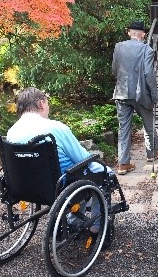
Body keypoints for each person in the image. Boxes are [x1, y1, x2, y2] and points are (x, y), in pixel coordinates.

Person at [7, 87, 108, 233]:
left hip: (23, 187)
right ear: (41, 103)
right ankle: (97, 228)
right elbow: (82, 158)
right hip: (57, 187)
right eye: (47, 104)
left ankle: (75, 221)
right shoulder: (56, 128)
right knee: (103, 175)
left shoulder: (12, 132)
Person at [112, 20, 158, 175]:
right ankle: (152, 153)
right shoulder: (147, 49)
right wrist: (154, 95)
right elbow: (149, 74)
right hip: (141, 95)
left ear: (128, 32)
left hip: (121, 93)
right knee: (148, 124)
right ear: (143, 34)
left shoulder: (118, 47)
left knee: (123, 129)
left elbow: (114, 70)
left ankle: (123, 163)